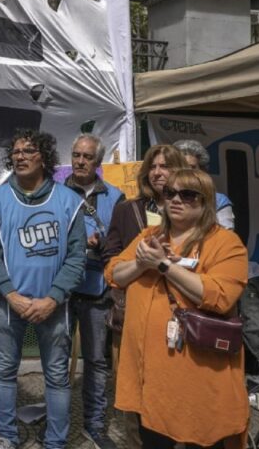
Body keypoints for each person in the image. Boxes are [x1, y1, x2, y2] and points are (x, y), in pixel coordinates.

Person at [106, 169, 248, 448]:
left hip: (197, 374)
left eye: (187, 194)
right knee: (152, 439)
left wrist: (164, 266)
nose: (175, 200)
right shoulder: (150, 236)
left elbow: (221, 296)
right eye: (170, 193)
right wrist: (141, 264)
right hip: (150, 376)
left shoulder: (225, 243)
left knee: (203, 437)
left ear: (206, 201)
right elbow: (114, 274)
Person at [0, 129, 87, 449]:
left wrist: (53, 298)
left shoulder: (68, 201)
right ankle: (7, 438)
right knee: (5, 372)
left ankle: (55, 441)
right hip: (8, 304)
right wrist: (11, 294)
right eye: (16, 152)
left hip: (55, 306)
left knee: (56, 376)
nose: (20, 156)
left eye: (29, 151)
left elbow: (77, 256)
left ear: (45, 158)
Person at [102, 143, 187, 449]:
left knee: (175, 393)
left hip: (178, 318)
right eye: (152, 166)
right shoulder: (127, 209)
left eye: (165, 166)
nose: (157, 172)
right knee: (134, 397)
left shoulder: (191, 209)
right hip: (131, 316)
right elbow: (111, 257)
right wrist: (137, 262)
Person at [60, 134, 123, 449]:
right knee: (56, 358)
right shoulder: (55, 192)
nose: (80, 161)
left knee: (96, 362)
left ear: (97, 163)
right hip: (60, 289)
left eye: (86, 157)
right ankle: (57, 422)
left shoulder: (116, 196)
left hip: (97, 290)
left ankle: (94, 426)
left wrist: (101, 245)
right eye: (76, 155)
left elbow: (121, 243)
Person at [173, 139, 235, 230]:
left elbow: (228, 237)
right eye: (181, 167)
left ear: (202, 170)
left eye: (192, 167)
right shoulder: (166, 196)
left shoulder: (218, 201)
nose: (186, 172)